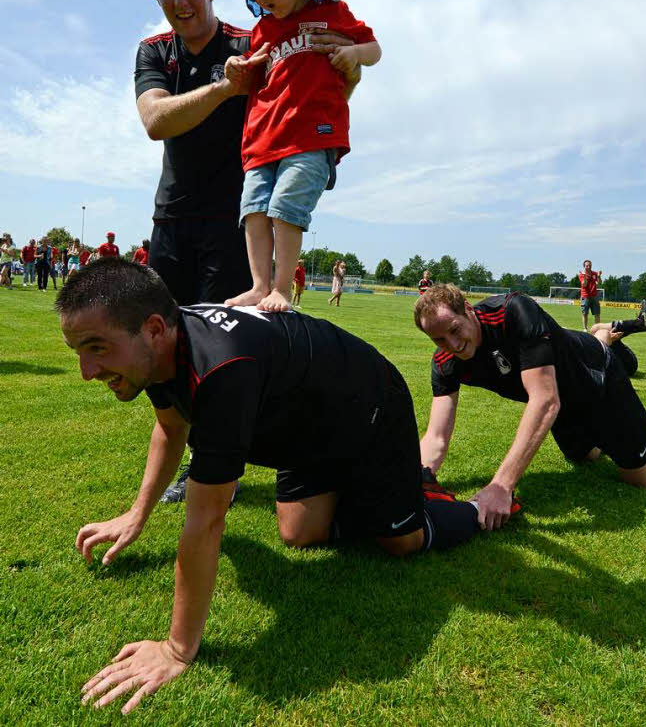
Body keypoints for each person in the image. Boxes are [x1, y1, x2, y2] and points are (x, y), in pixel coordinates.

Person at [59, 259, 484, 713]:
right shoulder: (163, 349)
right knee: (298, 533)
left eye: (97, 348)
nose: (87, 370)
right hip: (307, 424)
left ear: (154, 329)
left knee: (402, 539)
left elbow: (206, 521)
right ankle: (372, 491)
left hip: (368, 407)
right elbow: (169, 425)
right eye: (80, 351)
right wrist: (135, 514)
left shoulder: (220, 367)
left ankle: (467, 508)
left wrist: (176, 649)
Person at [137, 0, 358, 503]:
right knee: (160, 348)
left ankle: (211, 466)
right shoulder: (154, 52)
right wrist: (222, 88)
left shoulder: (255, 38)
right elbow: (156, 121)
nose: (181, 2)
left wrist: (349, 71)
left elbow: (313, 91)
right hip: (171, 222)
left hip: (237, 223)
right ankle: (180, 444)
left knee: (216, 352)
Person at [415, 285, 646, 530]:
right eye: (439, 339)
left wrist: (501, 486)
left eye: (454, 329)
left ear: (468, 309)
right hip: (560, 401)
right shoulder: (445, 363)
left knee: (640, 476)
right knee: (583, 457)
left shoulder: (512, 312)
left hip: (598, 380)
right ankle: (604, 428)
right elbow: (436, 437)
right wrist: (418, 478)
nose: (452, 344)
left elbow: (545, 401)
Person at [223, 0, 381, 313]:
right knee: (254, 210)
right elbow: (249, 76)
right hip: (261, 141)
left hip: (311, 135)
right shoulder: (262, 31)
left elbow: (374, 48)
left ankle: (280, 287)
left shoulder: (332, 11)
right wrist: (233, 70)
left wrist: (352, 54)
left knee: (286, 206)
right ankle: (259, 286)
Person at [578, 259, 602, 329]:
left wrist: (599, 276)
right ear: (584, 266)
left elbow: (599, 282)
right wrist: (585, 277)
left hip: (594, 296)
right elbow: (584, 285)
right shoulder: (581, 275)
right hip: (585, 296)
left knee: (597, 314)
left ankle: (597, 329)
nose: (588, 267)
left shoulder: (594, 273)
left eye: (590, 265)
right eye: (587, 266)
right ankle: (585, 329)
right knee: (585, 314)